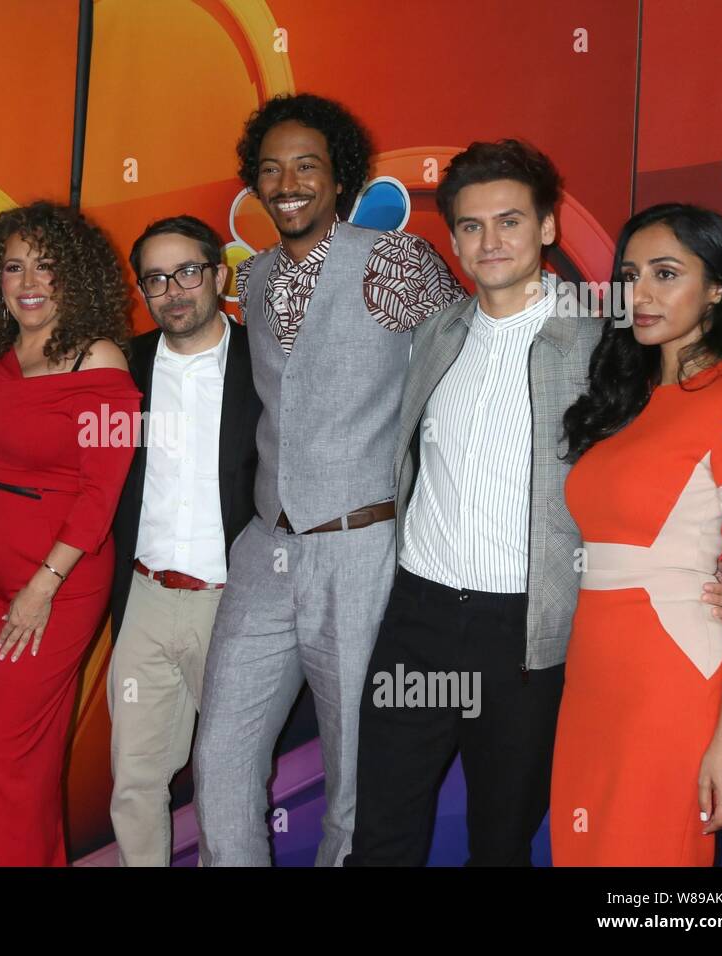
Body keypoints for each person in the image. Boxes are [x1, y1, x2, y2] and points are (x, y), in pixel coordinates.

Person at [350, 142, 722, 867]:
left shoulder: (608, 340)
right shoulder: (437, 333)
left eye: (509, 221)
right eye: (470, 226)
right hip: (418, 618)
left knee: (500, 842)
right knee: (381, 838)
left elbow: (687, 449)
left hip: (528, 635)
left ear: (548, 227)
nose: (489, 242)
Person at [192, 93, 465, 867]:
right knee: (219, 757)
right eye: (271, 168)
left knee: (352, 776)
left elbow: (465, 367)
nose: (288, 182)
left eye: (306, 165)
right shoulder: (254, 275)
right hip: (265, 550)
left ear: (339, 177)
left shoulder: (396, 262)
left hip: (361, 547)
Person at [551, 204, 722, 866]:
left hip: (672, 677)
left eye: (666, 273)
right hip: (593, 674)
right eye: (630, 275)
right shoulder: (623, 400)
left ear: (717, 288)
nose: (640, 294)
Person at [0, 200, 139, 865]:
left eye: (46, 267)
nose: (28, 281)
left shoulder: (101, 357)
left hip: (53, 584)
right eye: (13, 266)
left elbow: (101, 492)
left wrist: (42, 586)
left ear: (75, 276)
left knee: (6, 750)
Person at [107, 216, 261, 866]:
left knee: (229, 785)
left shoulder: (267, 363)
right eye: (156, 278)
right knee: (133, 782)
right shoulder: (121, 366)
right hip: (142, 596)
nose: (173, 290)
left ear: (218, 274)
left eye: (188, 271)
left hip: (233, 604)